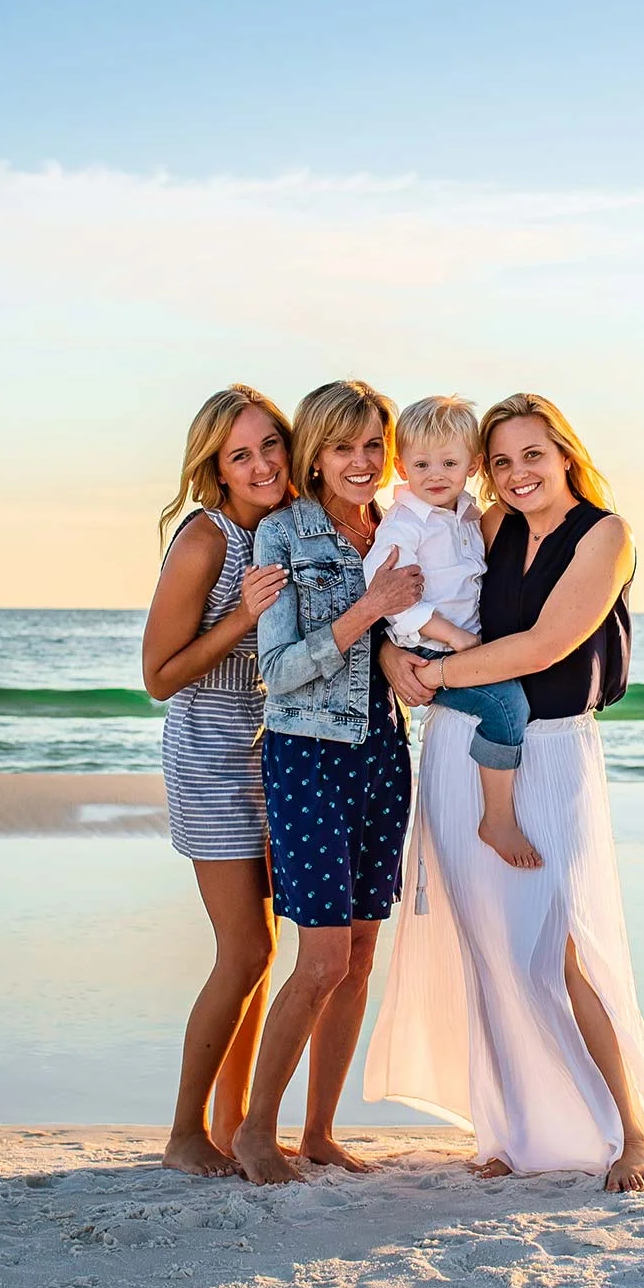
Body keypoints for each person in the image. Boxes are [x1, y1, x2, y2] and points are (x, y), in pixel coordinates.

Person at [364, 392, 644, 1193]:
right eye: (504, 460)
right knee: (486, 942)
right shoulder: (484, 526)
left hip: (552, 753)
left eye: (533, 455)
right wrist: (395, 665)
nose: (519, 474)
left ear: (565, 455)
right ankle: (511, 1130)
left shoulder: (606, 535)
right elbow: (404, 606)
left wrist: (437, 672)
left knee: (568, 944)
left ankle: (632, 1133)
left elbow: (547, 642)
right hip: (458, 748)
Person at [232, 379, 425, 1185]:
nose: (361, 461)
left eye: (374, 446)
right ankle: (253, 1133)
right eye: (344, 447)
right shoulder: (281, 536)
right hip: (308, 752)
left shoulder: (395, 524)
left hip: (385, 747)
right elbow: (278, 669)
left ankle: (317, 1133)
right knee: (319, 958)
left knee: (361, 952)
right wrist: (368, 609)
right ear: (314, 452)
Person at [141, 385, 294, 1178]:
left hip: (277, 749)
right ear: (216, 466)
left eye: (271, 444)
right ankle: (183, 1131)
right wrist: (241, 615)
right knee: (243, 949)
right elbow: (158, 676)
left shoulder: (285, 526)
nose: (263, 462)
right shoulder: (206, 541)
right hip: (210, 749)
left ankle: (236, 1121)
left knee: (263, 951)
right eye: (242, 454)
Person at [364, 394, 537, 869]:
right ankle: (496, 817)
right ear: (401, 466)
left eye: (449, 462)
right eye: (421, 464)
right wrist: (455, 638)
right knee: (507, 704)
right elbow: (388, 593)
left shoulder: (467, 514)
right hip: (428, 652)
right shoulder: (404, 524)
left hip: (459, 646)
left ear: (474, 465)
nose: (435, 474)